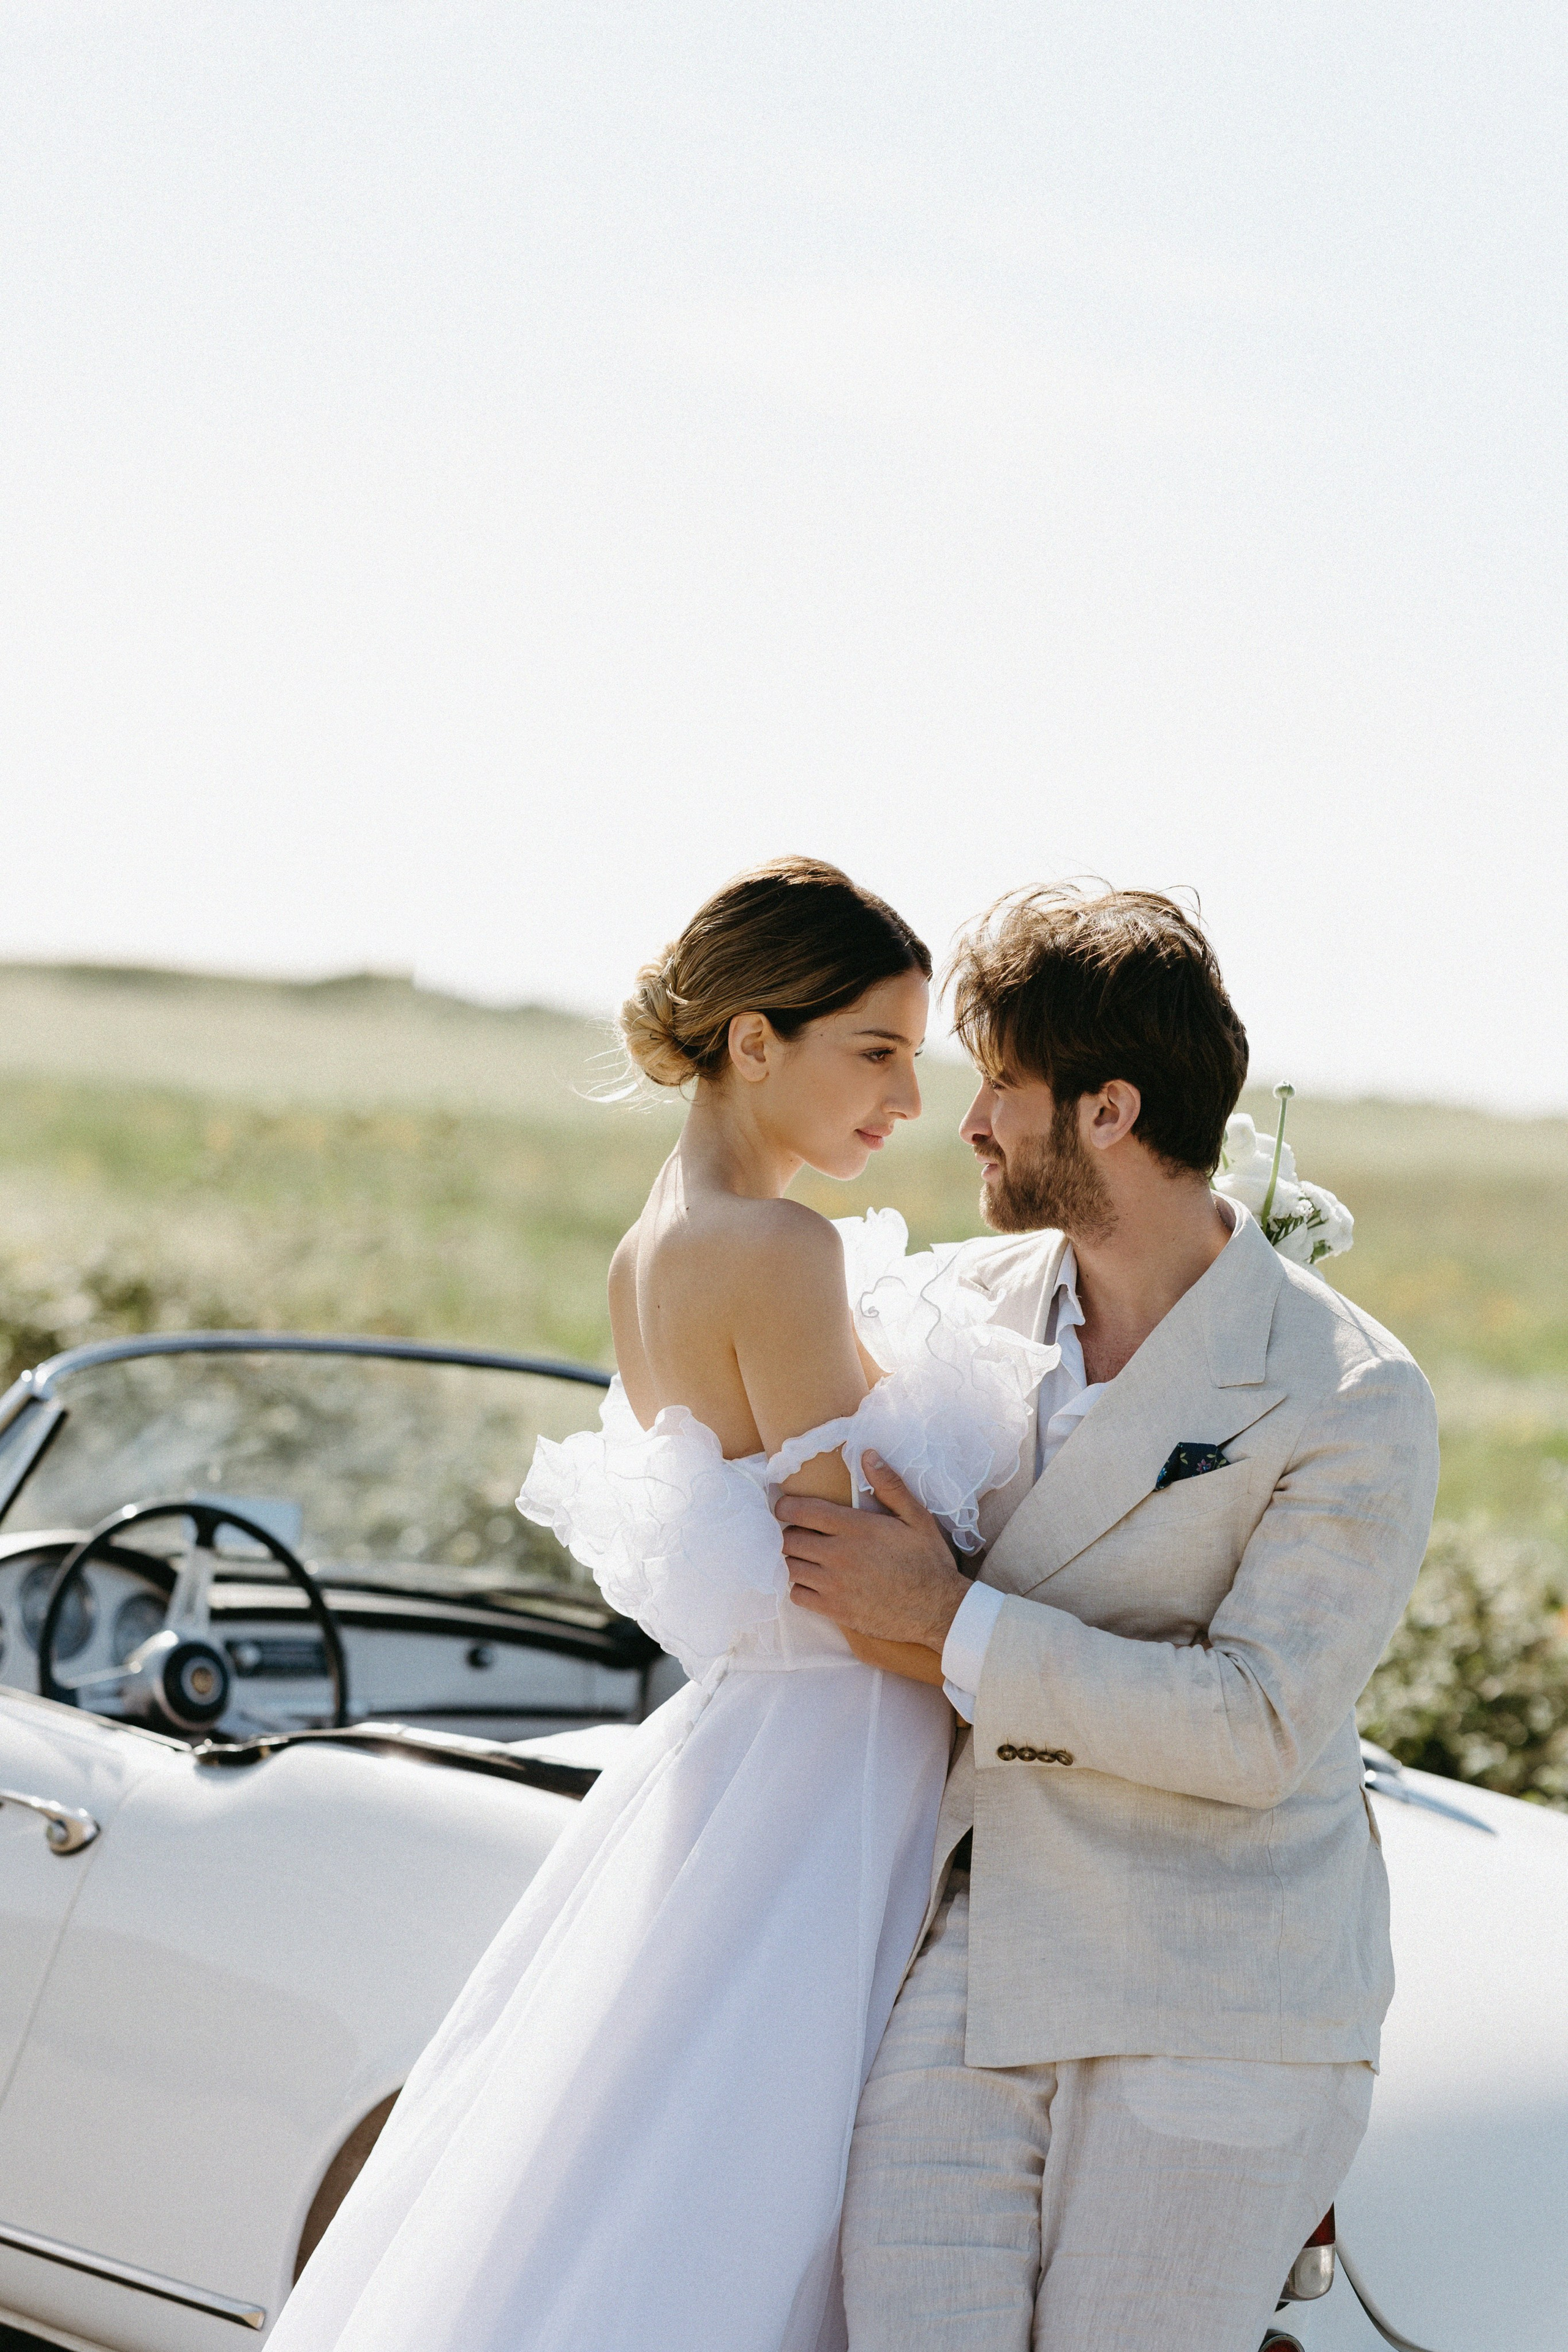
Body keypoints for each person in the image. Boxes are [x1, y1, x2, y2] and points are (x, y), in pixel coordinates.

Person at [264, 857, 1052, 2352]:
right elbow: (859, 1574)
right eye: (873, 1051)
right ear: (755, 1041)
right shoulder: (778, 1249)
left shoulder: (657, 1246)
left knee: (650, 2162)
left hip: (750, 1756)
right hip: (838, 1774)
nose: (901, 1097)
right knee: (755, 2188)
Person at [777, 884, 1442, 2352]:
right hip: (970, 1964)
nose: (968, 1125)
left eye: (1000, 1087)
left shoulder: (1348, 1392)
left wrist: (950, 1626)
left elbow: (1255, 1721)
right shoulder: (953, 1303)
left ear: (1106, 1111)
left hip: (1221, 1999)